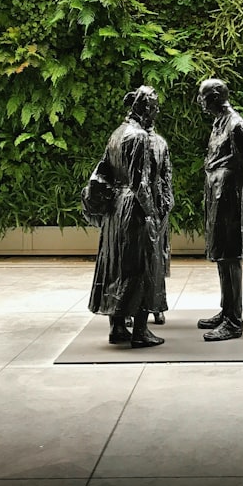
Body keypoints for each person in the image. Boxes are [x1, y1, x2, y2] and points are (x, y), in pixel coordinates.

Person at [87, 86, 172, 348]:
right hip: (134, 208)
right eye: (154, 106)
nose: (156, 111)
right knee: (143, 266)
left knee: (118, 266)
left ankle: (117, 327)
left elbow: (103, 172)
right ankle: (141, 332)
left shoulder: (117, 133)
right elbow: (140, 182)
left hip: (116, 208)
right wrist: (153, 214)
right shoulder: (139, 137)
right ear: (144, 107)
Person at [195, 78, 243, 342]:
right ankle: (226, 311)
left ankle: (234, 321)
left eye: (202, 97)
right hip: (218, 194)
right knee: (222, 255)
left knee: (231, 256)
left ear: (213, 97)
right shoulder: (218, 122)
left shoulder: (236, 125)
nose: (199, 102)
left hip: (231, 196)